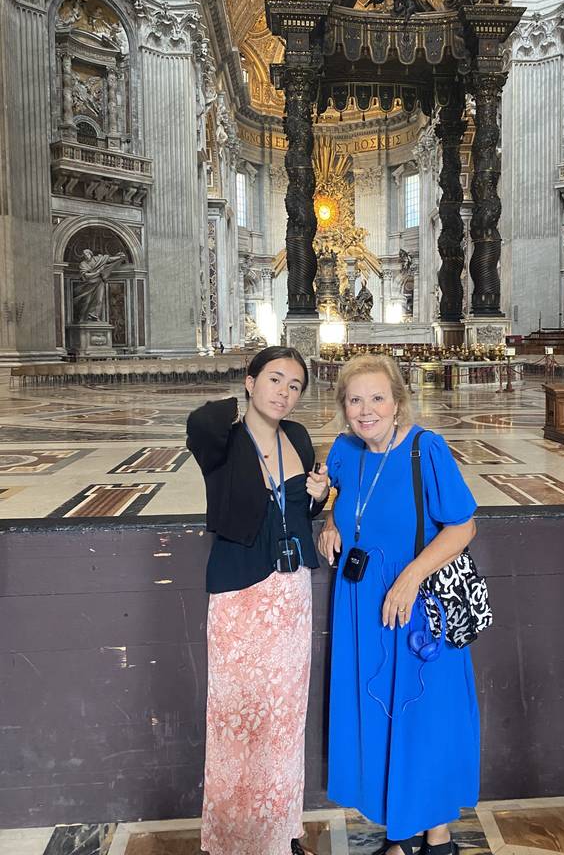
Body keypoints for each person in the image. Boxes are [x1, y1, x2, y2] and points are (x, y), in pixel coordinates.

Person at [318, 354, 479, 855]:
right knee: (381, 714)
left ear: (398, 402)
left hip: (412, 606)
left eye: (377, 398)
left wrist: (411, 577)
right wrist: (329, 523)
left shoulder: (424, 449)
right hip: (360, 605)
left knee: (421, 715)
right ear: (344, 407)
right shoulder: (344, 451)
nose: (366, 410)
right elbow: (340, 497)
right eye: (354, 400)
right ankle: (417, 832)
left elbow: (463, 526)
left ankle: (426, 834)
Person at [186, 346, 330, 855]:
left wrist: (316, 496)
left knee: (284, 723)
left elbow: (297, 511)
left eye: (294, 386)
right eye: (274, 380)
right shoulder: (221, 436)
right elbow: (197, 420)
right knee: (237, 722)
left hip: (290, 594)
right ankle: (231, 843)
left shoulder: (298, 436)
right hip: (239, 592)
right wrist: (245, 404)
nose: (284, 393)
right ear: (250, 381)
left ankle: (280, 835)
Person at [73, 248, 125, 322]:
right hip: (88, 285)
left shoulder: (98, 259)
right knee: (86, 302)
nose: (86, 256)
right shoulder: (83, 264)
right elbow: (86, 275)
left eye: (87, 254)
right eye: (84, 255)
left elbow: (109, 259)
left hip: (99, 282)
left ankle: (95, 315)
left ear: (90, 254)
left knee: (99, 300)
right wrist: (97, 273)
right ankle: (82, 318)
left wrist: (119, 257)